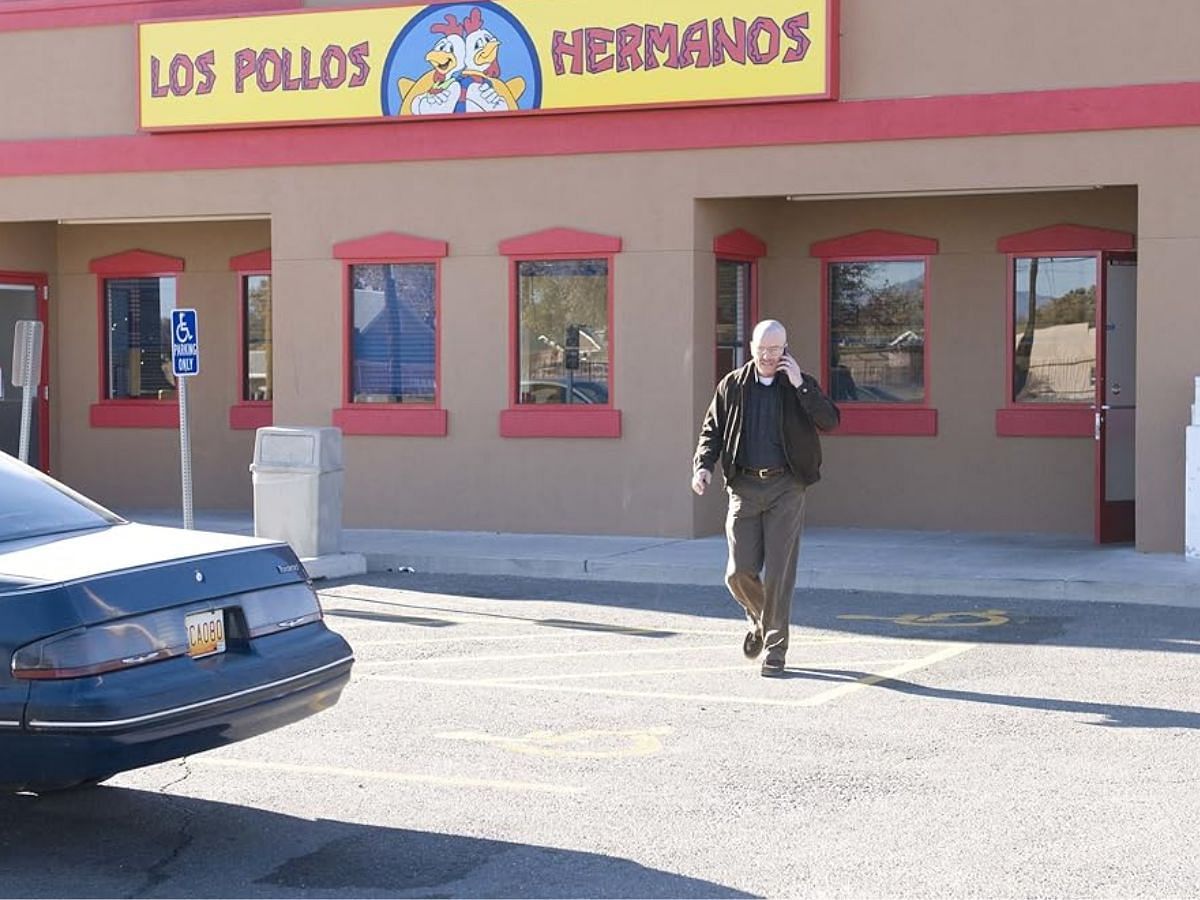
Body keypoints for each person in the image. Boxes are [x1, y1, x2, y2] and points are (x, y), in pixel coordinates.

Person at [692, 319, 840, 677]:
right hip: (744, 486)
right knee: (738, 572)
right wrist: (703, 466)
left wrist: (801, 386)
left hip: (786, 488)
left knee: (779, 572)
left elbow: (830, 421)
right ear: (752, 348)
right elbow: (712, 429)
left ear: (785, 349)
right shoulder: (733, 385)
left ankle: (775, 650)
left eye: (776, 350)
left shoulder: (798, 384)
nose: (770, 357)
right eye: (763, 350)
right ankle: (760, 619)